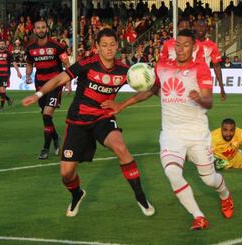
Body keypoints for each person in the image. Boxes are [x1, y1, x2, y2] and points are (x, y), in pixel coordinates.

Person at [101, 29, 234, 230]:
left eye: (186, 45)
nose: (180, 49)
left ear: (194, 47)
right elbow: (151, 91)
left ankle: (225, 195)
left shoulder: (201, 69)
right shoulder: (162, 66)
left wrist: (200, 99)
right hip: (171, 133)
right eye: (177, 45)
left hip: (197, 132)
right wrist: (122, 105)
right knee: (172, 172)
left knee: (209, 180)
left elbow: (208, 101)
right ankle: (198, 216)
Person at [21, 28, 155, 218]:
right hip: (78, 120)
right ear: (97, 47)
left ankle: (141, 197)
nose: (109, 49)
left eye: (112, 44)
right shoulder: (87, 64)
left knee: (120, 147)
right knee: (66, 174)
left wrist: (122, 104)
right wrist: (38, 94)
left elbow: (151, 88)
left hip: (103, 118)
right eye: (104, 45)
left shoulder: (125, 71)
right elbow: (60, 78)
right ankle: (77, 194)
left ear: (118, 46)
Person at [25, 20, 71, 160]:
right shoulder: (30, 47)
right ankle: (55, 137)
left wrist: (68, 83)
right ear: (34, 30)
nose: (40, 30)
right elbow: (29, 64)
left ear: (47, 28)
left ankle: (45, 148)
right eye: (38, 28)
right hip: (40, 85)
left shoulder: (57, 46)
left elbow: (67, 64)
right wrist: (27, 75)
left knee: (47, 114)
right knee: (46, 118)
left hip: (55, 83)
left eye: (43, 27)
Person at [194, 20, 226, 101]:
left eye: (203, 27)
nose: (200, 29)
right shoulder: (189, 42)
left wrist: (221, 87)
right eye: (199, 26)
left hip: (203, 78)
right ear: (195, 28)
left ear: (206, 29)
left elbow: (217, 66)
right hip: (189, 77)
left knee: (201, 107)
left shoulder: (212, 45)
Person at [0, 40, 22, 112]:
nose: (1, 45)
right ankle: (9, 99)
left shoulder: (8, 53)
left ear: (5, 45)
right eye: (0, 44)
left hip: (6, 74)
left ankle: (1, 107)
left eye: (3, 44)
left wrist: (18, 72)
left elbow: (14, 62)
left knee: (2, 90)